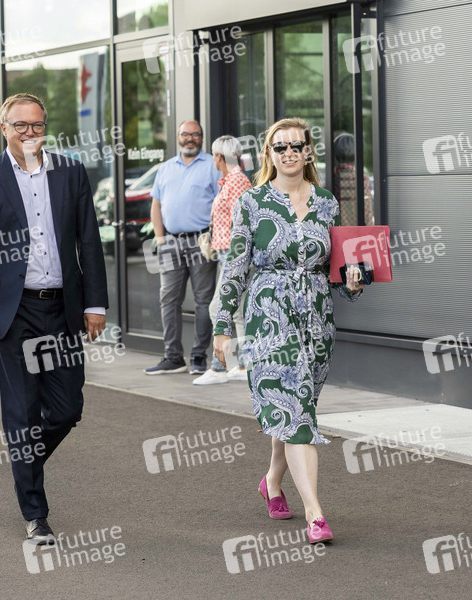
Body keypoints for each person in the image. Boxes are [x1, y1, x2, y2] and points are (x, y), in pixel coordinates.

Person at [0, 93, 108, 544]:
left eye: (36, 124)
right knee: (21, 412)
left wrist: (95, 304)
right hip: (13, 310)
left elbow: (89, 240)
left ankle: (25, 459)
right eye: (19, 125)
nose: (29, 132)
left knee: (67, 408)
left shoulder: (70, 171)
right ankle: (35, 513)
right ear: (4, 128)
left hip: (62, 307)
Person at [212, 117, 365, 544]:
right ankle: (316, 514)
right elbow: (235, 267)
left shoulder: (327, 203)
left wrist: (352, 282)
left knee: (297, 410)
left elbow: (336, 270)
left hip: (317, 321)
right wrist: (222, 326)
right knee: (295, 413)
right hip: (269, 319)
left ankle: (272, 482)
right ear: (269, 154)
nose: (289, 153)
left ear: (308, 151)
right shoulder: (252, 202)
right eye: (280, 147)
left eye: (297, 145)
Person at [145, 120, 222, 376]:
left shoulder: (212, 165)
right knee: (168, 299)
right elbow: (156, 205)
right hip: (170, 243)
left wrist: (215, 236)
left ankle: (199, 356)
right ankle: (173, 357)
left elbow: (223, 203)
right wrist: (160, 238)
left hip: (201, 243)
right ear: (178, 137)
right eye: (185, 134)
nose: (190, 138)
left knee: (203, 301)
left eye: (195, 134)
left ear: (202, 137)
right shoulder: (165, 168)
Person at [193, 135, 252, 386]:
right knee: (236, 311)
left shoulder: (236, 181)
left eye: (213, 156)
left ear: (219, 157)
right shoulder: (230, 180)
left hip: (233, 255)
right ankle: (243, 365)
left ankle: (219, 368)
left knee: (218, 308)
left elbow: (243, 223)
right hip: (227, 254)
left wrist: (236, 259)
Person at [331, 133, 375, 226]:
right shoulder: (362, 178)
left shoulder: (332, 178)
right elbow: (367, 211)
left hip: (335, 230)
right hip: (356, 231)